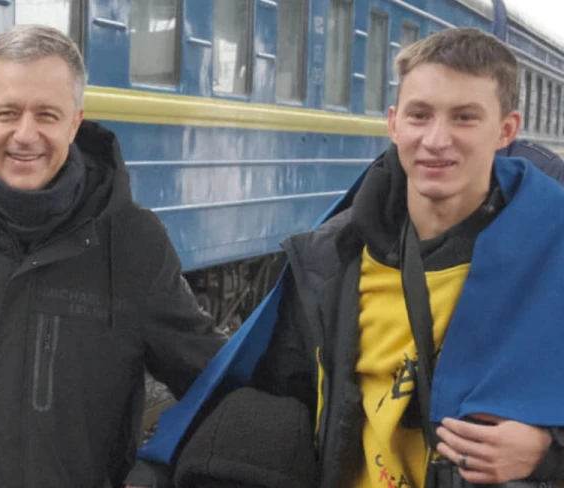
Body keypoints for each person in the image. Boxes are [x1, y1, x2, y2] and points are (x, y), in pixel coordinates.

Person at [140, 27, 564, 488]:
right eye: (419, 115)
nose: (436, 139)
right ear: (394, 123)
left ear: (506, 130)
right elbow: (283, 396)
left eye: (464, 118)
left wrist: (548, 453)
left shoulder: (549, 256)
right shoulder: (332, 260)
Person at [0, 25, 224, 488]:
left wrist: (157, 471)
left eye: (47, 114)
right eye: (7, 113)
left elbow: (215, 385)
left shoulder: (133, 243)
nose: (25, 135)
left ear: (74, 123)